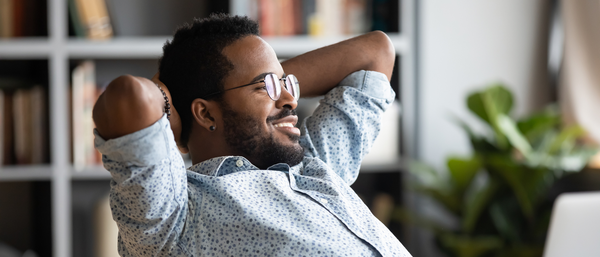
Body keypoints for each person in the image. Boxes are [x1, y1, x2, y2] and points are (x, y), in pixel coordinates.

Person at [93, 14, 411, 257]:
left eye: (287, 84)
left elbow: (375, 52)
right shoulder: (175, 215)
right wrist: (173, 96)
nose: (290, 99)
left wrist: (269, 81)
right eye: (266, 87)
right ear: (205, 113)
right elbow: (128, 96)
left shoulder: (314, 163)